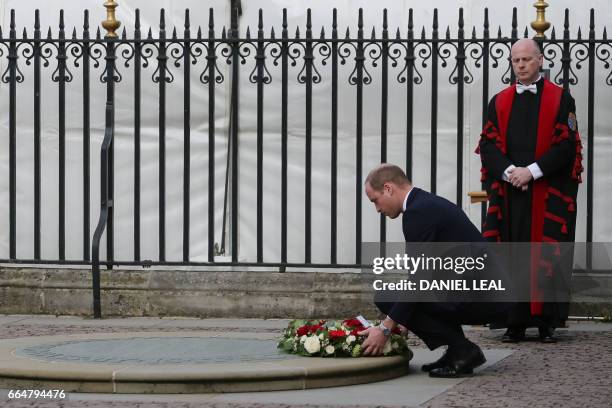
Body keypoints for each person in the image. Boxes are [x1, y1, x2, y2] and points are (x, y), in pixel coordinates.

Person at [476, 38, 582, 343]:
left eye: (526, 59)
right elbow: (488, 145)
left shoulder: (562, 100)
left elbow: (567, 146)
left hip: (547, 190)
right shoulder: (498, 101)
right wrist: (511, 173)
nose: (520, 65)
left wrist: (531, 172)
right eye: (515, 60)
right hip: (511, 193)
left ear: (540, 60)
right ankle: (514, 322)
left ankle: (547, 323)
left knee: (549, 251)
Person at [359, 163, 509, 378]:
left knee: (386, 296)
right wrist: (404, 317)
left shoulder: (418, 213)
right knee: (402, 297)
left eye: (375, 200)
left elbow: (420, 278)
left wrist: (385, 327)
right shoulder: (425, 204)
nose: (377, 209)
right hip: (482, 290)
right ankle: (456, 351)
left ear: (388, 188)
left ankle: (463, 350)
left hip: (481, 296)